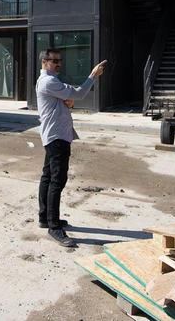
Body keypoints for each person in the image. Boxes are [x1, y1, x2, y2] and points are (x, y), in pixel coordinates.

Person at [36, 49, 107, 248]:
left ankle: (45, 217)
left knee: (48, 176)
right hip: (57, 136)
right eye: (55, 60)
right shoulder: (49, 82)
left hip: (54, 135)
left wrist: (68, 101)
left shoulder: (49, 82)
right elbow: (79, 93)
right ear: (44, 61)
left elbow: (68, 99)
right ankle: (53, 226)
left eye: (60, 60)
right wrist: (93, 75)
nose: (59, 63)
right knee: (57, 180)